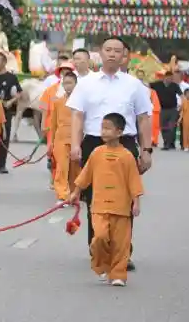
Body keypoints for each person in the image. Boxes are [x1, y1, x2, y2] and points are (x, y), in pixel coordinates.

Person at [67, 36, 152, 273]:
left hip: (125, 144)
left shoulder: (134, 85)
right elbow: (77, 116)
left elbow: (144, 118)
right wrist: (75, 144)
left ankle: (123, 252)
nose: (112, 54)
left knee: (124, 199)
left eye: (117, 50)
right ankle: (98, 247)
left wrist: (146, 150)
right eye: (108, 50)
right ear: (100, 53)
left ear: (125, 55)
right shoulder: (86, 83)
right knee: (94, 198)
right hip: (93, 142)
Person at [68, 112, 143, 287]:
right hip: (99, 206)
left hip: (121, 208)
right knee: (99, 237)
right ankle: (102, 264)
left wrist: (136, 203)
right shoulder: (96, 153)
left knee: (121, 244)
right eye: (102, 128)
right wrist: (76, 192)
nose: (103, 132)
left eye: (108, 128)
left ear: (119, 132)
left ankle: (118, 274)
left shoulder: (127, 156)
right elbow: (85, 175)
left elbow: (134, 181)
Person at [47, 70, 78, 202]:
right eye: (65, 83)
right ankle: (62, 195)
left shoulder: (81, 102)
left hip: (76, 139)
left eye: (70, 83)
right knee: (61, 168)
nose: (68, 86)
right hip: (61, 139)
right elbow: (53, 124)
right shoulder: (58, 102)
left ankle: (73, 195)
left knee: (75, 170)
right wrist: (51, 142)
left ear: (76, 84)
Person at [149, 70, 180, 150]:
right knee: (163, 127)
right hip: (162, 110)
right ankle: (167, 143)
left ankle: (169, 144)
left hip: (173, 109)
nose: (170, 79)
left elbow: (181, 95)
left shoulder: (174, 85)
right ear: (165, 77)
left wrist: (183, 105)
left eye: (171, 78)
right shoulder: (158, 84)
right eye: (169, 77)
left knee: (171, 127)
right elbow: (147, 85)